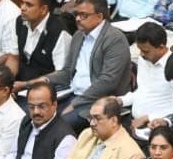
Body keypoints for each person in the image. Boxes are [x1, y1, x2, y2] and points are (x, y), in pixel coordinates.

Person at [41, 0, 132, 130]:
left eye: (83, 15)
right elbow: (67, 71)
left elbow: (107, 82)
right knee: (34, 112)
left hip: (99, 101)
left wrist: (75, 104)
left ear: (99, 16)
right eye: (76, 14)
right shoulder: (78, 36)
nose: (77, 19)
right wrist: (40, 81)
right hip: (72, 93)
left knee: (56, 126)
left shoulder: (115, 39)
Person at [119, 23, 173, 134]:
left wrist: (148, 117)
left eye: (146, 51)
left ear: (161, 47)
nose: (141, 55)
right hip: (134, 121)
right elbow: (142, 92)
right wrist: (120, 100)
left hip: (157, 127)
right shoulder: (144, 60)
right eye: (140, 50)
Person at [13, 0, 71, 87]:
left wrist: (25, 85)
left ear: (43, 9)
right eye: (22, 3)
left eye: (28, 5)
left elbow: (61, 75)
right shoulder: (20, 22)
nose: (22, 8)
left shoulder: (59, 32)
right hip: (19, 84)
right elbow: (13, 57)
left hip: (46, 89)